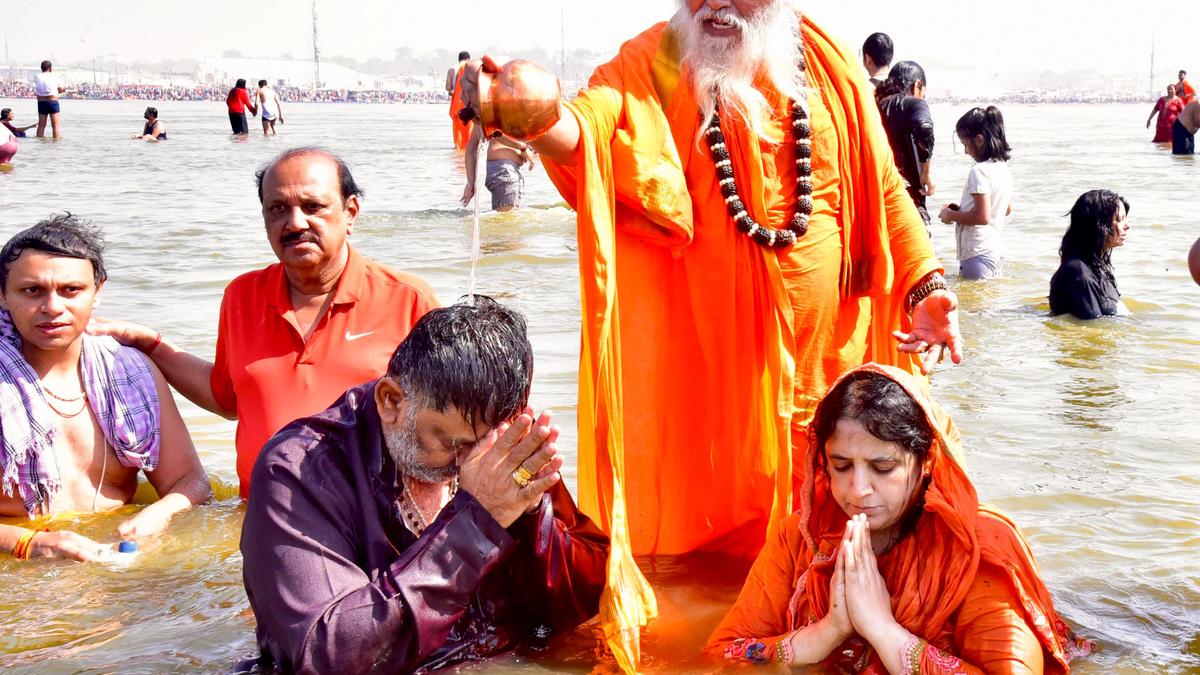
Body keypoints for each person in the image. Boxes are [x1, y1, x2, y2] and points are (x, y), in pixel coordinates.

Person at [458, 0, 963, 665]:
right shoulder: (665, 56)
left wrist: (923, 285)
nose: (716, 5)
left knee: (847, 528)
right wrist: (533, 115)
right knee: (706, 582)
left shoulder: (826, 64)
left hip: (827, 370)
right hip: (709, 391)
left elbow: (886, 190)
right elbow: (596, 132)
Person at [239, 297, 608, 673]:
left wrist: (531, 515)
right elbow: (329, 658)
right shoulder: (297, 471)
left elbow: (592, 601)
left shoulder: (501, 450)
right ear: (391, 401)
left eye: (485, 443)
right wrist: (479, 521)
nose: (472, 464)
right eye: (454, 444)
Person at [90, 148, 437, 497]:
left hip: (372, 522)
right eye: (278, 209)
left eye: (313, 207)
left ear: (350, 213)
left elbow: (448, 417)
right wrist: (149, 344)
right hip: (261, 517)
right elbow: (226, 397)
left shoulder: (408, 300)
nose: (295, 222)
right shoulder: (243, 296)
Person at [706, 364, 1092, 672]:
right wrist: (826, 633)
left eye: (883, 467)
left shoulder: (975, 549)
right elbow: (723, 654)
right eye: (841, 466)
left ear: (925, 462)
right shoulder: (803, 538)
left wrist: (884, 631)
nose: (857, 490)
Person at [0, 215, 210, 562]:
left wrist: (157, 516)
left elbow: (192, 482)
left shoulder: (131, 372)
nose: (53, 307)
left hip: (114, 562)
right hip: (22, 580)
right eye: (32, 290)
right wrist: (27, 544)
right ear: (3, 296)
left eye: (71, 290)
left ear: (97, 292)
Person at [938, 107, 1013, 281]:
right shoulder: (1003, 168)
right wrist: (962, 210)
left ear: (979, 140)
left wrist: (950, 215)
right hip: (995, 250)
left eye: (965, 144)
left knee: (975, 307)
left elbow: (982, 217)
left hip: (977, 252)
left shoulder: (979, 171)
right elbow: (1006, 209)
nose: (965, 151)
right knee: (987, 305)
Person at [1049, 190, 1131, 320]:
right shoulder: (1080, 274)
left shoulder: (1096, 264)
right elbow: (1092, 328)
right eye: (1119, 220)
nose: (1127, 226)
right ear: (1099, 226)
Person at [876, 61, 935, 232]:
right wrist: (926, 172)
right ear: (917, 85)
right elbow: (924, 128)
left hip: (875, 203)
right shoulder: (913, 104)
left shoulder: (872, 106)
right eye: (923, 93)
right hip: (906, 201)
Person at [462, 123, 536, 212]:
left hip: (488, 169)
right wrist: (523, 147)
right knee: (506, 221)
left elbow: (471, 149)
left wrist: (471, 181)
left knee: (502, 219)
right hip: (504, 171)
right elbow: (495, 133)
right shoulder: (500, 111)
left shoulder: (480, 115)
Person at [446, 50, 474, 153]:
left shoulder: (451, 70)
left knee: (458, 140)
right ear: (468, 59)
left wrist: (456, 94)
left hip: (456, 108)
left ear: (459, 59)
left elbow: (448, 89)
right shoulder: (470, 68)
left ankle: (458, 158)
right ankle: (464, 158)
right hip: (468, 107)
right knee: (470, 138)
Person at [33, 60, 66, 139]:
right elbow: (61, 88)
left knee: (41, 125)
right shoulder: (55, 76)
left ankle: (39, 142)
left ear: (41, 68)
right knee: (55, 125)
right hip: (52, 102)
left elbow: (36, 87)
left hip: (41, 102)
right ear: (50, 68)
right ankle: (56, 143)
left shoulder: (37, 76)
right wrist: (62, 89)